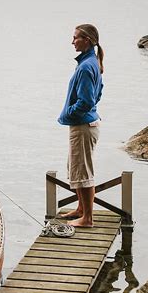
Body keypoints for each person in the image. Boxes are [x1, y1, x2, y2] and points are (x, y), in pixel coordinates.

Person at [58, 24, 104, 227]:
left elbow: (86, 102)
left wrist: (69, 113)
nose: (72, 41)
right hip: (86, 124)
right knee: (76, 168)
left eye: (75, 37)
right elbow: (98, 93)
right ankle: (81, 209)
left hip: (83, 126)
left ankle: (87, 219)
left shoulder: (86, 66)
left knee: (83, 172)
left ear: (87, 40)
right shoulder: (90, 62)